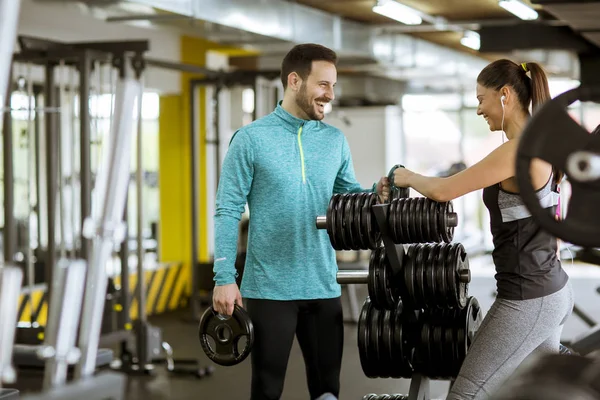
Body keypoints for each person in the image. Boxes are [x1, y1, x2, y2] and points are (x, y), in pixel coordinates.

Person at [211, 43, 390, 400]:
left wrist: (377, 191)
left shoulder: (334, 140)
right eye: (323, 84)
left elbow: (348, 196)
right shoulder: (250, 139)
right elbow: (227, 208)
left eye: (333, 86)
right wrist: (224, 277)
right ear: (295, 81)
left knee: (327, 391)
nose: (330, 95)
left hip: (323, 284)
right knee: (267, 389)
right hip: (269, 288)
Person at [391, 59, 574, 400]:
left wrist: (407, 176)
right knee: (551, 388)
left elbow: (444, 190)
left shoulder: (517, 150)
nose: (478, 110)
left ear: (505, 95)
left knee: (466, 395)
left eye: (480, 99)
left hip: (527, 298)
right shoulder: (543, 141)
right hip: (549, 289)